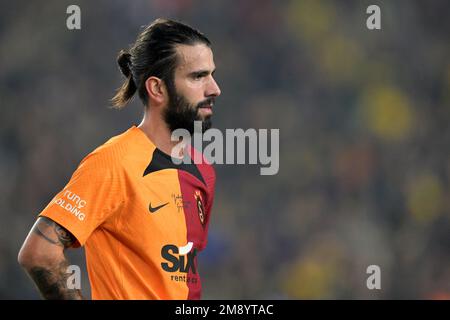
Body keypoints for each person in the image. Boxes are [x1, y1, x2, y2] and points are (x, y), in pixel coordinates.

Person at [18, 18, 221, 300]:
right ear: (157, 89)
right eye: (198, 77)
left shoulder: (203, 170)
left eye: (211, 74)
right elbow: (39, 254)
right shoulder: (113, 163)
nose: (214, 88)